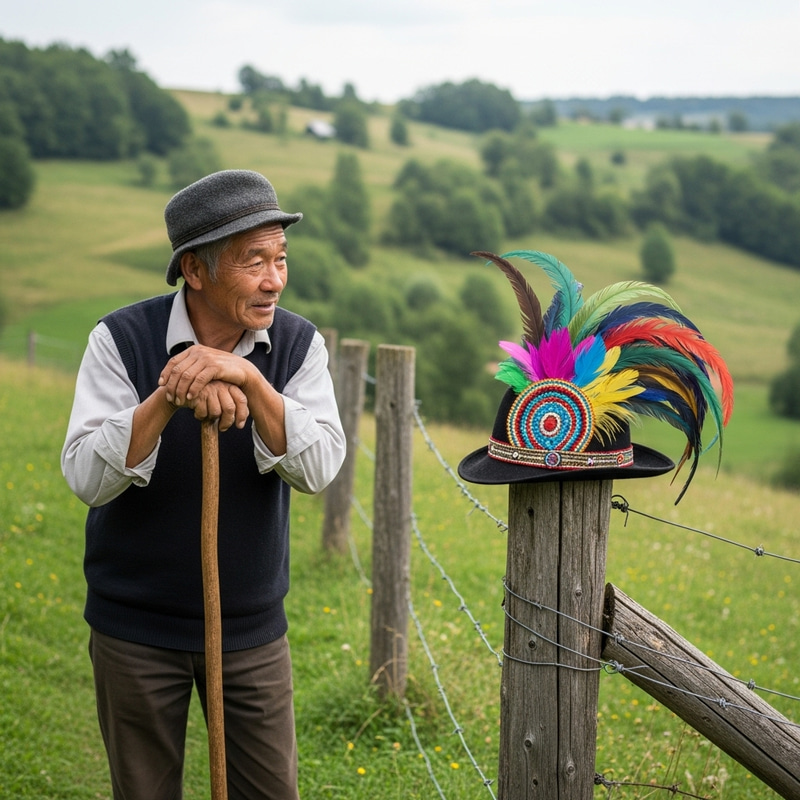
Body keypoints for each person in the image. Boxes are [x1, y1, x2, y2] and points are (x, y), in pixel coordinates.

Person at [61, 169, 346, 800]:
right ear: (195, 270)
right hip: (134, 628)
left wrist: (249, 381)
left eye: (280, 259)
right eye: (253, 262)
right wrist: (171, 391)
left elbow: (320, 466)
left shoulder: (299, 345)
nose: (274, 279)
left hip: (251, 632)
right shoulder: (120, 340)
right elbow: (85, 476)